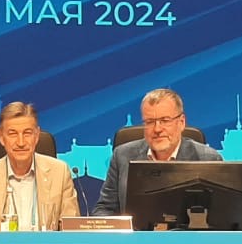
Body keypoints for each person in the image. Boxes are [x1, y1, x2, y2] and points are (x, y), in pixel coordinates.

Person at [93, 88, 222, 216]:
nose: (157, 129)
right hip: (136, 230)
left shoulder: (208, 159)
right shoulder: (122, 156)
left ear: (181, 122)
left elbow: (220, 215)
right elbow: (104, 209)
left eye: (165, 121)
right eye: (150, 122)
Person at [0, 102, 79, 231]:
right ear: (1, 137)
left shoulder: (60, 173)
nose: (21, 142)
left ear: (36, 136)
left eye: (27, 133)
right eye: (12, 134)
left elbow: (72, 231)